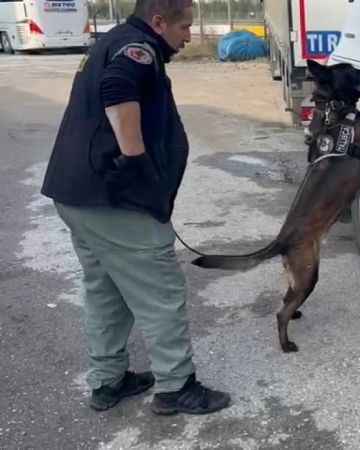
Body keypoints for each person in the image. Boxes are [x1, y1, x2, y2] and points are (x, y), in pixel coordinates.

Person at [40, 0, 230, 415]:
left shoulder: (116, 40)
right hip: (115, 202)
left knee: (105, 291)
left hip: (77, 196)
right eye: (184, 27)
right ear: (158, 21)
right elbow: (118, 87)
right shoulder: (137, 50)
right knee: (161, 292)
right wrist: (136, 162)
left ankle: (108, 381)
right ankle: (176, 387)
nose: (188, 36)